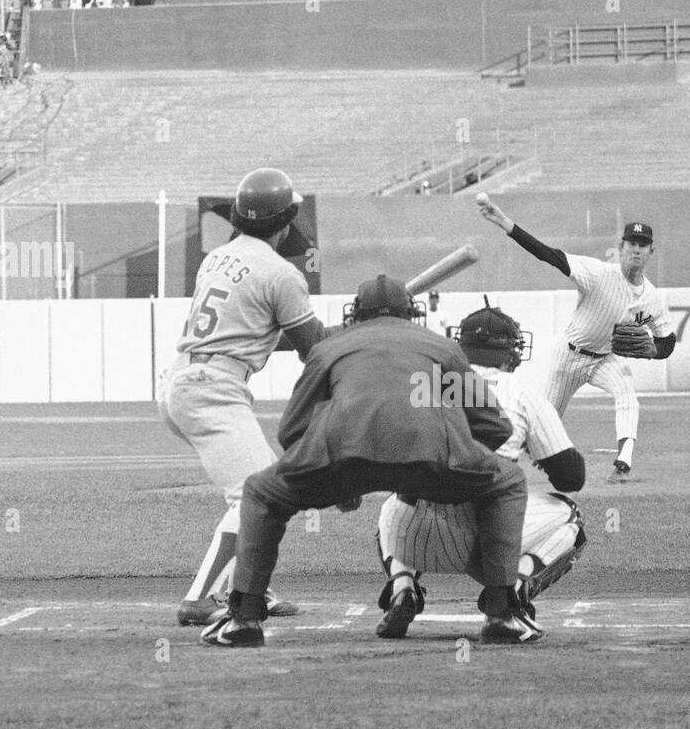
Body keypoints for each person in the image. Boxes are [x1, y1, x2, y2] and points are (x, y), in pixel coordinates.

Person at [202, 276, 539, 649]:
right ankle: (501, 614)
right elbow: (494, 424)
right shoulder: (441, 348)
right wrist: (454, 466)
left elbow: (292, 430)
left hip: (341, 456)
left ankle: (243, 619)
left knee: (260, 492)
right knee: (507, 481)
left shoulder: (328, 349)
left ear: (355, 315)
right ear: (413, 313)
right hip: (431, 459)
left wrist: (330, 482)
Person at [158, 168, 331, 628]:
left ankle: (251, 584)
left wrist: (330, 336)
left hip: (184, 380)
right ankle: (199, 599)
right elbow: (314, 352)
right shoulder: (281, 273)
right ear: (288, 220)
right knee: (257, 498)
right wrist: (346, 338)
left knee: (256, 490)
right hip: (212, 390)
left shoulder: (216, 257)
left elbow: (251, 334)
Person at [375, 302, 587, 638]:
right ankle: (509, 595)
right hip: (488, 543)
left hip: (412, 539)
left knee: (393, 500)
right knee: (571, 516)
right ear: (510, 353)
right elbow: (571, 478)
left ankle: (403, 587)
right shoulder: (521, 394)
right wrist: (530, 445)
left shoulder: (420, 384)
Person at [477, 197, 676, 483]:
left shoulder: (652, 298)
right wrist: (505, 223)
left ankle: (623, 463)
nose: (636, 249)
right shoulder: (597, 274)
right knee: (542, 423)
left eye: (642, 245)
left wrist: (653, 350)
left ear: (650, 252)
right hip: (569, 357)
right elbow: (549, 255)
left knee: (627, 394)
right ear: (621, 248)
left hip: (604, 359)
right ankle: (495, 463)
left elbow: (667, 342)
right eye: (631, 243)